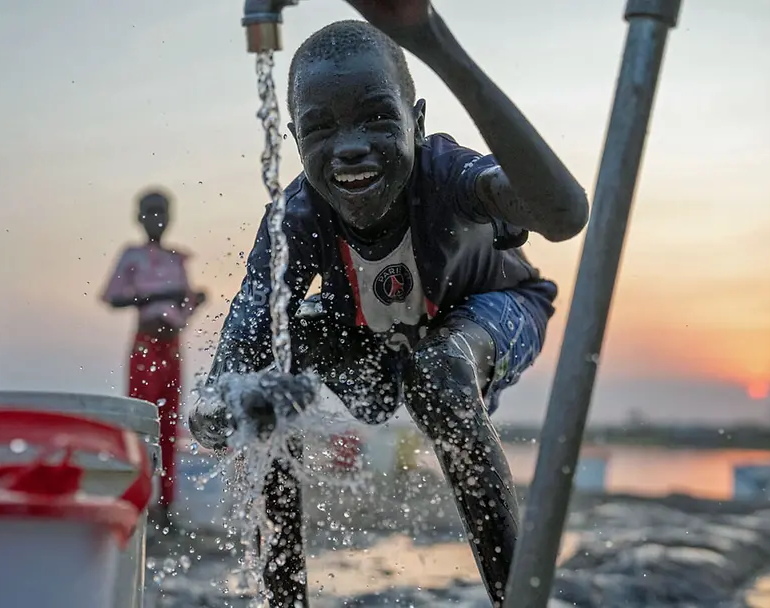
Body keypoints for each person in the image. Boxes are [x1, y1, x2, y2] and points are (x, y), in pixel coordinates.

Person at [190, 3, 589, 606]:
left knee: (440, 375)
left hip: (492, 314)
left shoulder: (450, 175)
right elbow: (219, 403)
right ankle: (283, 600)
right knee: (266, 378)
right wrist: (240, 408)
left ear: (417, 121)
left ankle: (519, 598)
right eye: (322, 129)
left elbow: (564, 214)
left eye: (378, 118)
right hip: (378, 347)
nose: (350, 149)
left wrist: (431, 42)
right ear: (295, 140)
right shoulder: (295, 222)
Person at [101, 188, 207, 525]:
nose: (157, 220)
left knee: (169, 424)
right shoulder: (131, 257)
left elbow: (184, 310)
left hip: (172, 346)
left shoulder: (178, 259)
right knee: (141, 422)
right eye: (150, 213)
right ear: (139, 217)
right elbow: (112, 298)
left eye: (162, 212)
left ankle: (166, 505)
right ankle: (138, 502)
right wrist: (160, 296)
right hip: (145, 344)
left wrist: (193, 302)